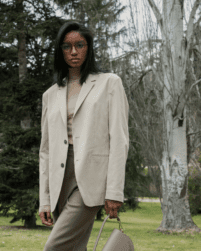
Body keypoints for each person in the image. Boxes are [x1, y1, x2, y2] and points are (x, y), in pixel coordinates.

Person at [38, 21, 129, 251]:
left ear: (89, 47)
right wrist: (45, 199)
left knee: (54, 247)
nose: (74, 52)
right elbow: (46, 151)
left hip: (91, 177)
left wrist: (114, 191)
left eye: (80, 45)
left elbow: (119, 139)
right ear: (60, 51)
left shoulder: (109, 83)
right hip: (60, 178)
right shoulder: (50, 95)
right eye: (67, 46)